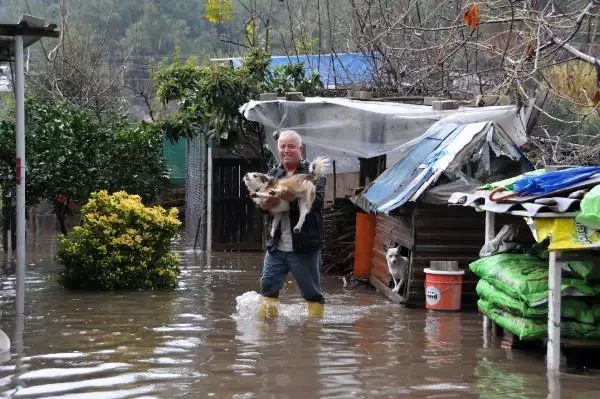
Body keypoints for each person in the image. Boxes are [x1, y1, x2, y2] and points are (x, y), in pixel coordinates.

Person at [257, 130, 326, 319]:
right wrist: (267, 202)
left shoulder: (312, 174)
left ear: (300, 149)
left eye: (291, 146)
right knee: (268, 288)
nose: (286, 150)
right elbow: (263, 209)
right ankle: (267, 333)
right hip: (277, 245)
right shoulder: (273, 174)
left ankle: (313, 333)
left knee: (312, 293)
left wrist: (290, 195)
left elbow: (318, 202)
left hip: (304, 246)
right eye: (282, 146)